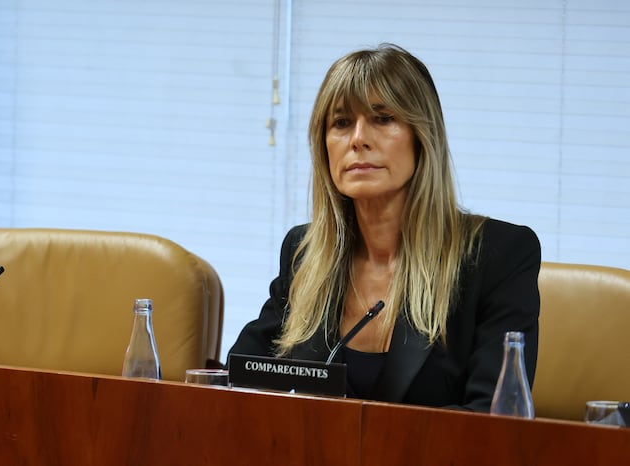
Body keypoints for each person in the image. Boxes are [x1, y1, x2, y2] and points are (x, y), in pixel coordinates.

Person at [228, 44, 540, 412]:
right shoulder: (304, 253)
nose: (358, 139)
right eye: (341, 123)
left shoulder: (498, 256)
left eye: (382, 118)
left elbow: (493, 418)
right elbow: (237, 382)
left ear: (422, 138)